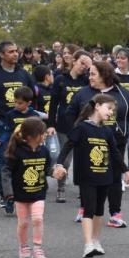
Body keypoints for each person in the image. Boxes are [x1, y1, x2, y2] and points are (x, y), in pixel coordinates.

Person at [65, 60, 129, 227]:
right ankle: (84, 209)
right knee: (88, 177)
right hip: (88, 143)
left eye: (93, 74)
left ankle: (115, 214)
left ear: (104, 75)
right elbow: (70, 114)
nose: (89, 77)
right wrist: (76, 135)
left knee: (115, 177)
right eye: (89, 74)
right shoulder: (83, 93)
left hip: (116, 142)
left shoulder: (123, 94)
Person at [55, 94, 129, 258]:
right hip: (87, 176)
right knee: (88, 208)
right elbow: (67, 146)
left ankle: (96, 241)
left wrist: (126, 171)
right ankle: (88, 244)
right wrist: (59, 163)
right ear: (97, 105)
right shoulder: (81, 128)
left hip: (105, 175)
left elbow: (115, 154)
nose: (111, 113)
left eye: (113, 110)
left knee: (99, 210)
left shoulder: (106, 130)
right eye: (109, 108)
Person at [1, 117, 65, 258]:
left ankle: (37, 248)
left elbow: (47, 169)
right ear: (31, 136)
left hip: (38, 193)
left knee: (37, 219)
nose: (45, 135)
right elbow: (6, 172)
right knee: (23, 223)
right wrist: (8, 192)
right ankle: (23, 247)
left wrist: (55, 172)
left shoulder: (44, 151)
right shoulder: (16, 152)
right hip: (20, 194)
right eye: (42, 133)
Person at [0, 42, 36, 197]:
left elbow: (33, 95)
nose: (15, 54)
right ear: (1, 55)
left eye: (16, 51)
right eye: (11, 52)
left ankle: (18, 188)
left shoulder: (23, 73)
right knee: (3, 159)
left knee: (22, 157)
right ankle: (5, 195)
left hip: (22, 124)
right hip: (1, 123)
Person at [49, 50, 92, 203]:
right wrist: (50, 124)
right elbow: (53, 104)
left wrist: (91, 66)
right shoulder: (61, 79)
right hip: (64, 124)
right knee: (65, 159)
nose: (83, 67)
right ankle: (61, 188)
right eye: (81, 63)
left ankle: (84, 189)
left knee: (84, 159)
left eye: (86, 65)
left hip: (84, 124)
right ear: (73, 61)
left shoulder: (87, 80)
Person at [0, 86, 46, 215]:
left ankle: (28, 199)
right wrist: (1, 142)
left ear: (28, 103)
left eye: (20, 103)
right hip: (15, 148)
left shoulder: (34, 115)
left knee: (23, 175)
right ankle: (9, 198)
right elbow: (6, 131)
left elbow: (39, 132)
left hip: (29, 151)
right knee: (11, 173)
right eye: (15, 102)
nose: (16, 105)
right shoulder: (10, 114)